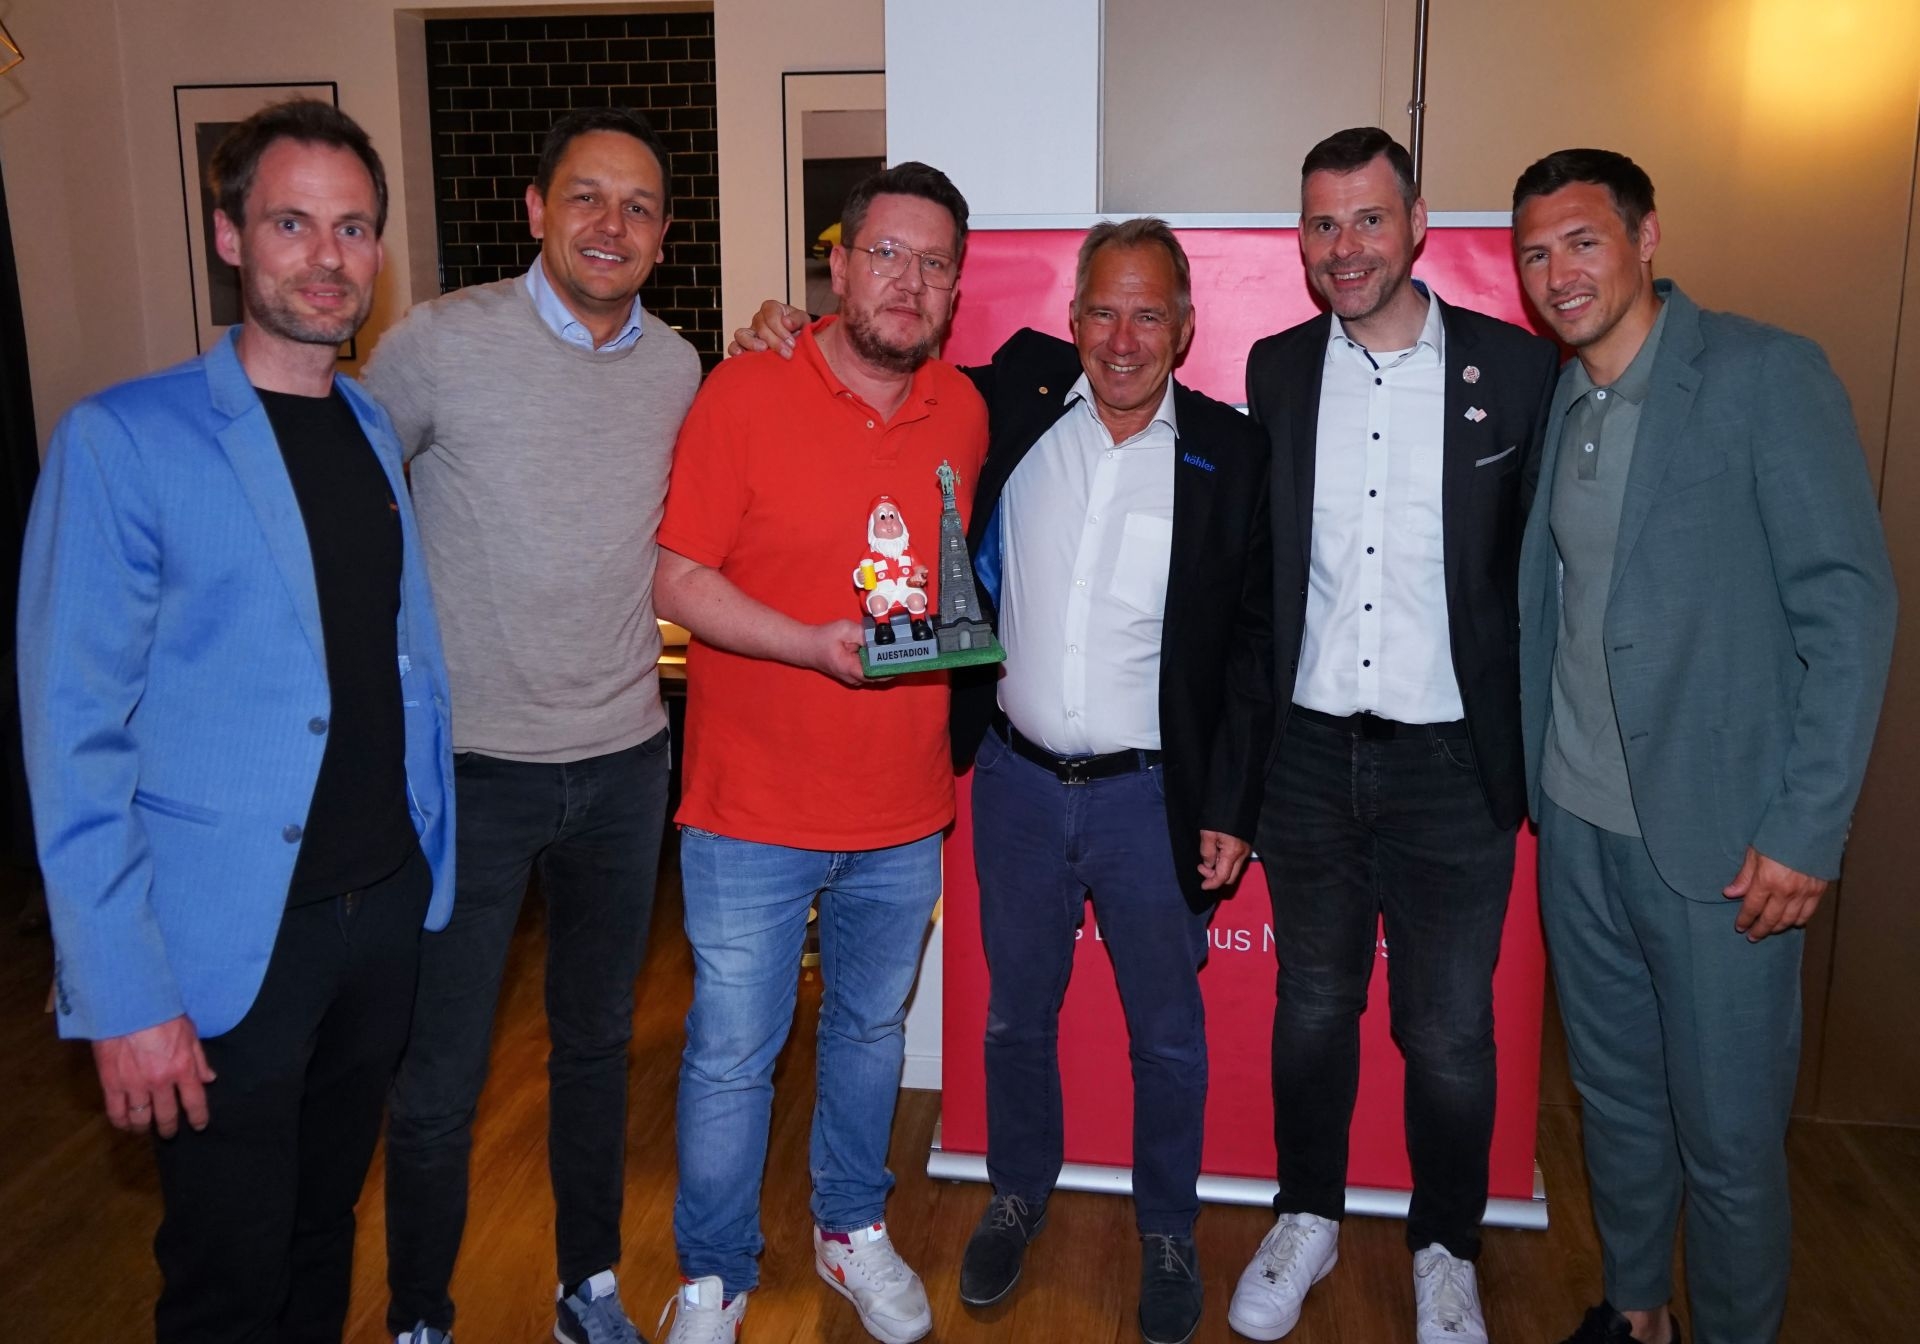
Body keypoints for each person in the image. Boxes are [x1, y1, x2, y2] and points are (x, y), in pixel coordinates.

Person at [734, 216, 1275, 1344]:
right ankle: (1019, 1193)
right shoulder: (1013, 400)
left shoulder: (1233, 452)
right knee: (1016, 1018)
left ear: (1185, 327)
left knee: (1167, 1034)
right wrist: (794, 329)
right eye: (1102, 312)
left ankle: (1168, 1229)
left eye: (1148, 315)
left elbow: (1252, 644)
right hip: (1017, 787)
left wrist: (1232, 803)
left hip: (1153, 800)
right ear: (1069, 320)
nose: (1122, 339)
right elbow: (882, 357)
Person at [17, 99, 455, 1343]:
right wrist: (121, 993)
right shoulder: (121, 441)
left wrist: (425, 871)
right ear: (229, 236)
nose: (327, 256)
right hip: (227, 948)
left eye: (353, 227)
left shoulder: (369, 426)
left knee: (322, 1234)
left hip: (379, 917)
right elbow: (72, 738)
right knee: (225, 1275)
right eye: (291, 223)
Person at [1510, 149, 1896, 1344]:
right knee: (1618, 1103)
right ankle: (1637, 1314)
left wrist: (1806, 830)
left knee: (1729, 1143)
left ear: (1646, 238)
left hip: (1723, 848)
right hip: (1578, 823)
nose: (1559, 274)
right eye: (1536, 253)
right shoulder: (1563, 395)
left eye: (1583, 241)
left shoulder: (1763, 375)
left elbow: (1851, 609)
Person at [360, 106, 702, 1344]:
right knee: (441, 1073)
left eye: (638, 206)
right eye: (586, 196)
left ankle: (586, 1286)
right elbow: (347, 504)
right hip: (470, 775)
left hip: (624, 764)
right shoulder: (435, 344)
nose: (611, 224)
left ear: (664, 234)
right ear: (536, 209)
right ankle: (420, 1317)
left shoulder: (679, 370)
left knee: (598, 1045)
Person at [1227, 127, 1559, 1344]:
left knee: (1450, 1029)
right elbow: (1258, 583)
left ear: (1418, 224)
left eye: (1369, 218)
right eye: (1323, 224)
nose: (1346, 246)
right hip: (1309, 758)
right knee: (1313, 1003)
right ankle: (1306, 1215)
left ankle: (1446, 1247)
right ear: (1301, 240)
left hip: (1452, 765)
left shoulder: (1515, 371)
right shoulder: (1275, 369)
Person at [650, 160, 987, 1344]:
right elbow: (676, 578)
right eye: (885, 253)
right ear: (837, 266)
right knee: (732, 1055)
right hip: (749, 807)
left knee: (868, 1033)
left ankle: (850, 1227)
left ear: (956, 288)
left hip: (900, 807)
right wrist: (808, 645)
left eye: (934, 263)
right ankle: (714, 1275)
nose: (909, 280)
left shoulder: (964, 411)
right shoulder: (742, 392)